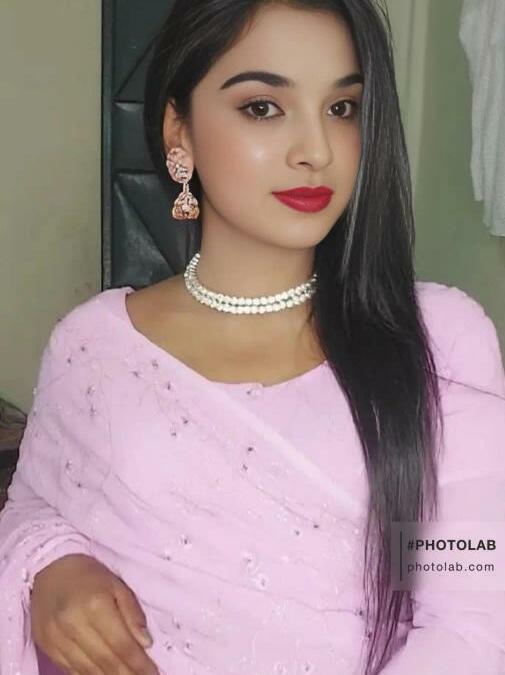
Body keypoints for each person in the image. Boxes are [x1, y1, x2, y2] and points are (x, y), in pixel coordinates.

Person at [1, 1, 505, 674]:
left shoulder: (436, 342)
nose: (315, 150)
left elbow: (472, 625)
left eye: (342, 108)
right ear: (179, 130)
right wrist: (50, 564)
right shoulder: (94, 346)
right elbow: (31, 506)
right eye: (263, 107)